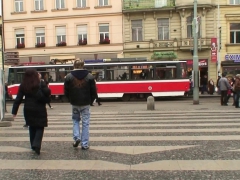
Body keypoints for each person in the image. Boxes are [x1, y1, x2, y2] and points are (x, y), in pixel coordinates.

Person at [12, 69, 51, 155]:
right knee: (40, 126)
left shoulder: (23, 85)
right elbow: (47, 92)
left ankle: (33, 144)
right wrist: (42, 81)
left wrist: (14, 111)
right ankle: (36, 144)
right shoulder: (40, 83)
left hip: (28, 108)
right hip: (40, 108)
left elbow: (18, 99)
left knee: (32, 126)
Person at [64, 59, 97, 150]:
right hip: (86, 103)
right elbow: (94, 91)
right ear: (83, 65)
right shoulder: (90, 76)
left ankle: (76, 138)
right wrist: (91, 101)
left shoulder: (69, 77)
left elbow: (66, 91)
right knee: (86, 123)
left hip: (74, 103)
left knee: (75, 120)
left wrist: (70, 100)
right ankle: (85, 144)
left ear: (74, 65)